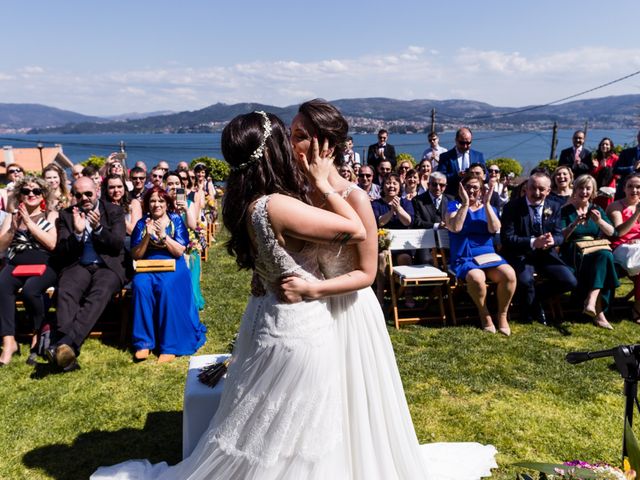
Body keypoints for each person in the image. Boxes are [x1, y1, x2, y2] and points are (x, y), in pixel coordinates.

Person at [92, 110, 368, 479]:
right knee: (298, 427)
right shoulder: (278, 205)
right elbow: (356, 230)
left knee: (269, 423)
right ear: (271, 150)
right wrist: (326, 184)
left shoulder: (250, 202)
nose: (292, 143)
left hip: (268, 315)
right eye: (285, 136)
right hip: (297, 326)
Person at [285, 99, 497, 479]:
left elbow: (367, 273)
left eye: (299, 136)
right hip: (307, 312)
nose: (291, 144)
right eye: (291, 135)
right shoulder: (299, 194)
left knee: (350, 397)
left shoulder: (355, 198)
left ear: (325, 146)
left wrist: (313, 290)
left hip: (347, 309)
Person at [47, 176, 126, 372]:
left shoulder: (113, 211)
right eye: (79, 194)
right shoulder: (66, 215)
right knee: (67, 289)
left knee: (101, 291)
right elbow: (62, 251)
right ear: (74, 195)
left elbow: (117, 245)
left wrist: (98, 228)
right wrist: (78, 233)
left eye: (88, 193)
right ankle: (68, 349)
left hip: (108, 266)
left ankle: (65, 344)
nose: (84, 198)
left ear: (97, 191)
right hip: (79, 264)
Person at [129, 187, 207, 363]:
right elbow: (136, 254)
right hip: (148, 265)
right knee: (140, 285)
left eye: (161, 201)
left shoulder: (175, 220)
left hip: (173, 264)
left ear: (167, 204)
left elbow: (179, 251)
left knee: (167, 286)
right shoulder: (142, 223)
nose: (156, 204)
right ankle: (144, 342)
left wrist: (164, 237)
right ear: (147, 204)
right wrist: (147, 237)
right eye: (153, 201)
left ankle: (169, 344)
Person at [500, 171, 577, 324]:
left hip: (545, 254)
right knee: (526, 281)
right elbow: (507, 238)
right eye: (532, 188)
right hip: (520, 254)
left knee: (570, 281)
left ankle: (535, 299)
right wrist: (533, 242)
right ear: (526, 188)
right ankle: (527, 313)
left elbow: (559, 235)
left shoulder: (554, 207)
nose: (536, 193)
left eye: (541, 189)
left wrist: (552, 240)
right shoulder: (512, 207)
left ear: (548, 191)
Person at [445, 173, 516, 335]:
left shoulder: (488, 207)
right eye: (468, 187)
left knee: (509, 274)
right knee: (477, 278)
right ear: (461, 188)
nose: (471, 190)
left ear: (481, 190)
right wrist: (464, 204)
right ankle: (485, 314)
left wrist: (487, 204)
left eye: (475, 187)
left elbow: (494, 228)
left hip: (488, 256)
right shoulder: (453, 205)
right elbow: (455, 227)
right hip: (465, 256)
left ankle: (502, 315)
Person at [0, 176, 58, 365]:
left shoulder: (52, 215)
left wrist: (29, 223)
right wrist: (12, 230)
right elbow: (1, 247)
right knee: (1, 285)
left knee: (30, 291)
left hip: (45, 265)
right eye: (26, 191)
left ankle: (37, 332)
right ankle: (9, 341)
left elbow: (51, 244)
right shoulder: (12, 215)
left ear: (43, 195)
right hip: (16, 264)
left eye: (36, 191)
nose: (31, 194)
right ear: (20, 195)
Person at [560, 175, 618, 329]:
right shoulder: (566, 210)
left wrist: (599, 221)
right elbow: (560, 236)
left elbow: (613, 233)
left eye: (588, 188)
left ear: (592, 191)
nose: (584, 191)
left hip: (595, 248)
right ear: (575, 189)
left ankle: (591, 302)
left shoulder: (596, 209)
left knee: (604, 255)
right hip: (574, 251)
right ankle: (598, 312)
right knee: (604, 258)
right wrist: (574, 224)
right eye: (581, 188)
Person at [165, 170, 205, 310]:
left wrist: (186, 210)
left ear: (182, 185)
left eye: (177, 183)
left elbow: (193, 225)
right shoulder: (162, 204)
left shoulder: (188, 203)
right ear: (165, 186)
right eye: (170, 184)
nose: (174, 187)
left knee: (192, 256)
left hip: (187, 247)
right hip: (168, 246)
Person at [607, 173, 640, 323]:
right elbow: (619, 232)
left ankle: (637, 308)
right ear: (624, 189)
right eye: (630, 186)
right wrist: (637, 212)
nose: (634, 190)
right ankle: (637, 309)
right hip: (621, 247)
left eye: (638, 187)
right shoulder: (616, 206)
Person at [437, 127, 485, 196]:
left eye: (468, 143)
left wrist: (477, 175)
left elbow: (486, 177)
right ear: (456, 140)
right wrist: (456, 175)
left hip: (473, 196)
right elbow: (440, 177)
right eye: (462, 143)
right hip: (452, 195)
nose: (465, 146)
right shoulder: (446, 157)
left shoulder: (478, 156)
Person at [592, 137, 619, 209]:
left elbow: (617, 174)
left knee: (607, 208)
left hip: (608, 188)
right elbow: (593, 174)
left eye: (607, 144)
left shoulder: (615, 158)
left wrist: (606, 168)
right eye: (603, 144)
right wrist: (595, 167)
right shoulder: (597, 158)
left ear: (611, 146)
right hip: (597, 188)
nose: (604, 146)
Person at [613, 130, 640, 199]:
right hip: (624, 193)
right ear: (638, 137)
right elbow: (616, 169)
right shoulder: (626, 152)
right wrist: (632, 168)